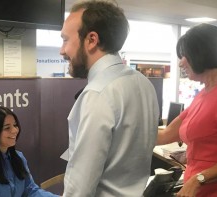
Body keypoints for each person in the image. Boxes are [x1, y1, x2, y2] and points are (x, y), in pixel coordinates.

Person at [59, 1, 159, 196]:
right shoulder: (144, 84)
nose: (61, 50)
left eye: (65, 40)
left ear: (92, 40)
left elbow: (80, 186)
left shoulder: (97, 94)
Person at [157, 23, 217, 197]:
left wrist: (199, 178)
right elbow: (166, 135)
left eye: (184, 56)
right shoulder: (205, 92)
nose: (181, 63)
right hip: (197, 187)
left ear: (200, 54)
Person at [0, 106, 58, 197]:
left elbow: (31, 190)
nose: (15, 130)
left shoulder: (19, 157)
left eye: (15, 125)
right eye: (7, 128)